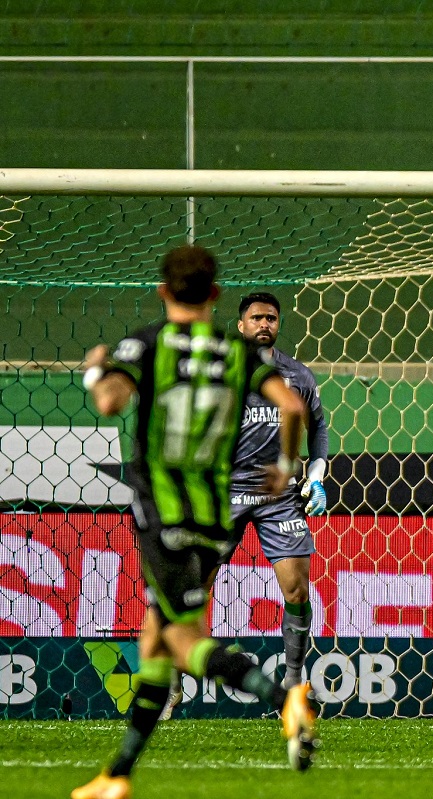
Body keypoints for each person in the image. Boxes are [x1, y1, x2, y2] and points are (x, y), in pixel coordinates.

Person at [72, 245, 318, 799]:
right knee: (156, 641)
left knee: (180, 640)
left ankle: (285, 700)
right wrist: (286, 467)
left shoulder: (147, 343)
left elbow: (110, 402)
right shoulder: (237, 351)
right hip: (215, 515)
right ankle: (117, 776)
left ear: (163, 291)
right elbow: (293, 408)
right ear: (216, 295)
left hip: (164, 515)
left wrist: (94, 371)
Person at [230, 291, 329, 689]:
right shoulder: (221, 371)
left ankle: (292, 682)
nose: (264, 324)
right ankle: (170, 684)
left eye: (271, 318)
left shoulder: (298, 376)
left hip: (280, 495)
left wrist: (316, 474)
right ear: (241, 325)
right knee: (192, 590)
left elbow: (318, 428)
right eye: (256, 318)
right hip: (226, 490)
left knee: (297, 589)